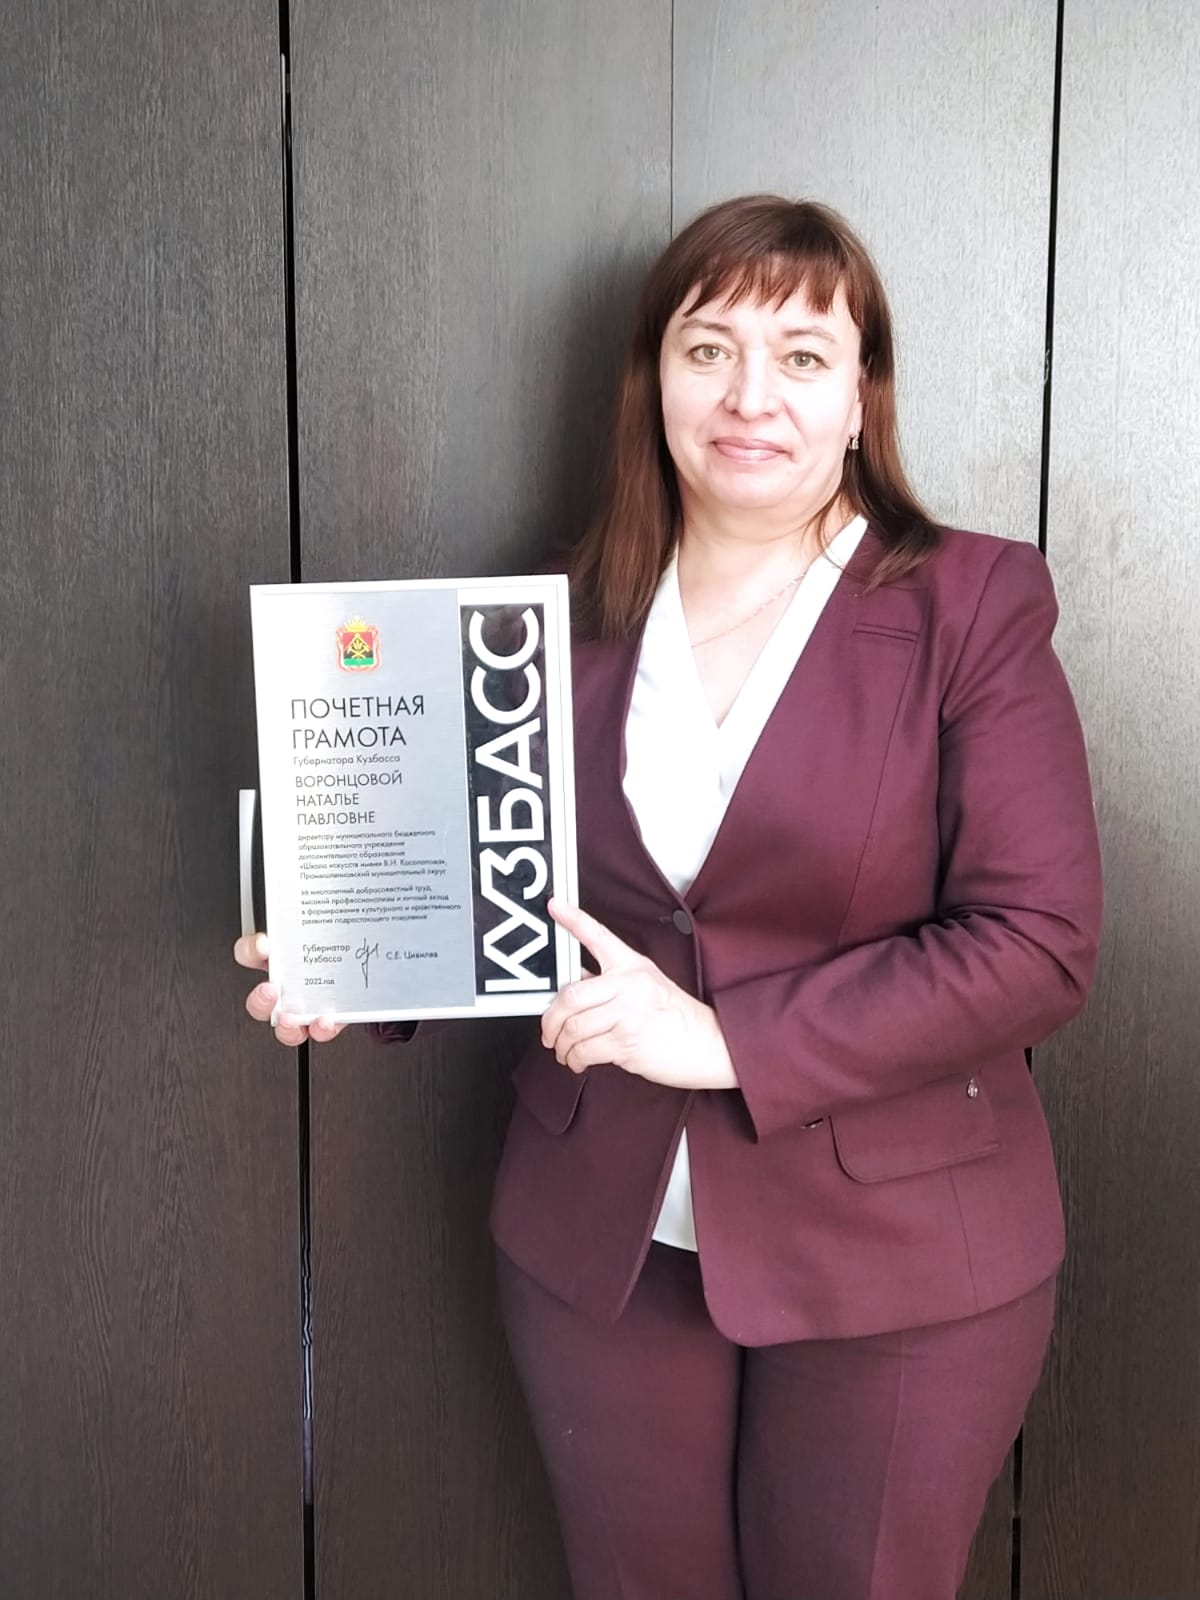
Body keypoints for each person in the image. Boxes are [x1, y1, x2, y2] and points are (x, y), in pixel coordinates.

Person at [237, 196, 1103, 1600]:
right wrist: (353, 972)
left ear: (862, 397)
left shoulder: (972, 603)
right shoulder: (543, 614)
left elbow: (1036, 944)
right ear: (653, 380)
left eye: (803, 357)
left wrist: (725, 1041)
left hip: (899, 1255)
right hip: (604, 1238)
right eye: (709, 350)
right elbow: (487, 888)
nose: (752, 396)